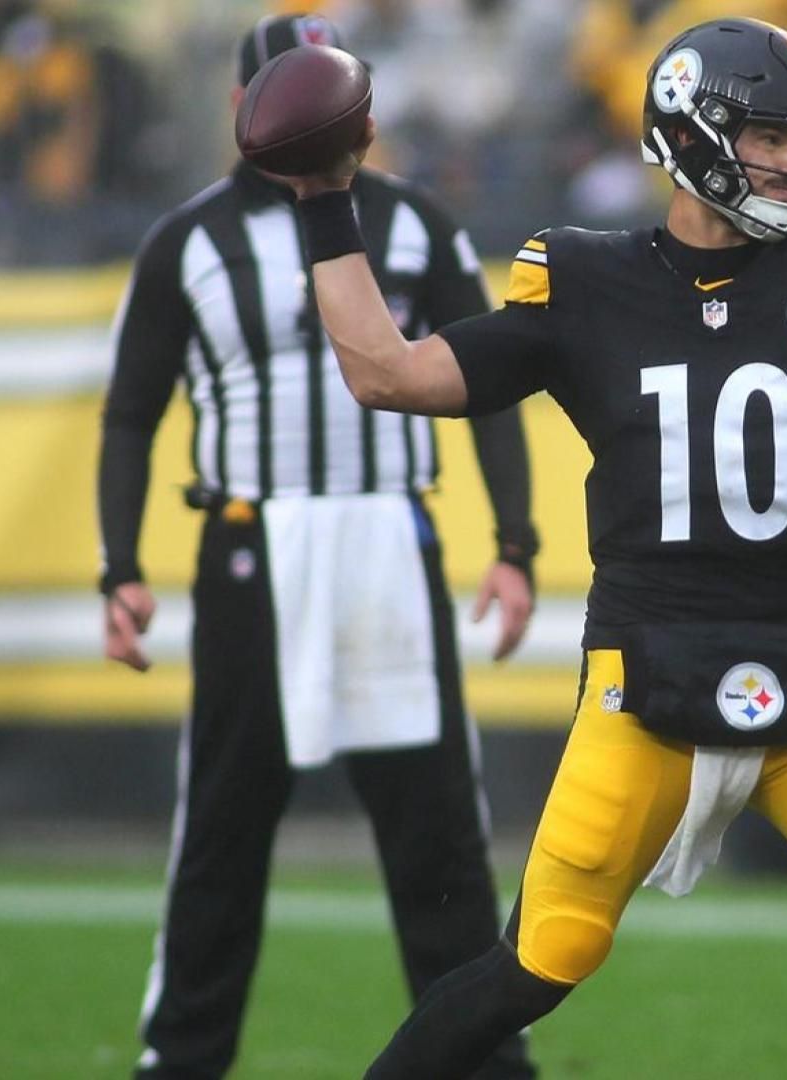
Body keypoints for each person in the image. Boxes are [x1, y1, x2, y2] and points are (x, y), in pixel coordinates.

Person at [275, 17, 787, 1079]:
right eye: (770, 138)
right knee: (537, 966)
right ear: (692, 137)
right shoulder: (586, 280)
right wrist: (325, 204)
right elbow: (387, 376)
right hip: (643, 682)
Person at [96, 14, 538, 1080]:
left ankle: (485, 1061)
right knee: (224, 833)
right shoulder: (187, 241)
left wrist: (515, 543)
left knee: (437, 839)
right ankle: (183, 1058)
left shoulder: (418, 227)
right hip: (251, 544)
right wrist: (120, 568)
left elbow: (486, 391)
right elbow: (131, 412)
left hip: (390, 533)